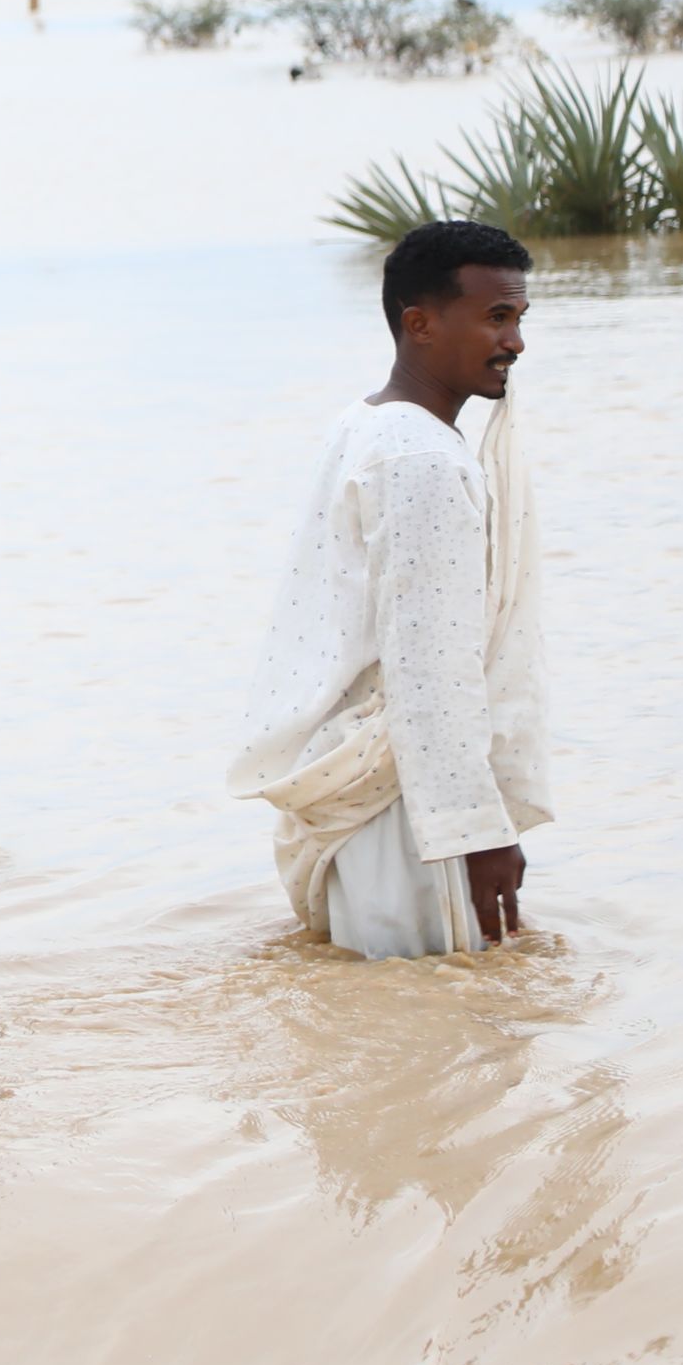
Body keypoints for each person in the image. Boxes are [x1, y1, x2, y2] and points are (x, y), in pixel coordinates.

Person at [229, 220, 549, 957]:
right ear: (421, 323)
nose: (516, 342)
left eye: (520, 319)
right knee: (448, 1036)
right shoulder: (421, 459)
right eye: (497, 317)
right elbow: (431, 666)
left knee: (382, 1030)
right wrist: (478, 833)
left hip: (371, 782)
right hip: (407, 805)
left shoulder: (367, 424)